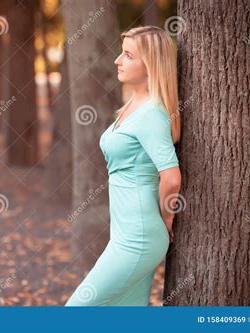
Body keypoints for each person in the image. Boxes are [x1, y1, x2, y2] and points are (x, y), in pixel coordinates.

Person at [65, 25, 182, 306]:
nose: (118, 60)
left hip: (138, 238)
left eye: (128, 55)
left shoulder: (152, 114)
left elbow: (172, 177)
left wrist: (166, 218)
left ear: (150, 64)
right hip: (125, 233)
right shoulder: (133, 105)